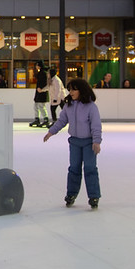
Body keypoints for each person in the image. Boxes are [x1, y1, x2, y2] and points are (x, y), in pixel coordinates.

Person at [43, 78, 102, 209]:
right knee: (74, 169)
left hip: (88, 143)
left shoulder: (91, 107)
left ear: (82, 90)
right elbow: (61, 121)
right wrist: (51, 132)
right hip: (74, 142)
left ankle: (94, 196)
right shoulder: (68, 105)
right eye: (69, 89)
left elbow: (96, 125)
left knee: (90, 169)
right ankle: (71, 194)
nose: (71, 92)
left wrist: (96, 142)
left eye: (74, 89)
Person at [30, 60, 49, 127]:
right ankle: (37, 119)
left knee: (41, 106)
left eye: (36, 65)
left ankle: (45, 119)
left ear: (39, 66)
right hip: (39, 92)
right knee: (36, 105)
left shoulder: (43, 73)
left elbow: (44, 82)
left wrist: (41, 89)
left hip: (41, 92)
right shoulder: (41, 73)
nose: (36, 67)